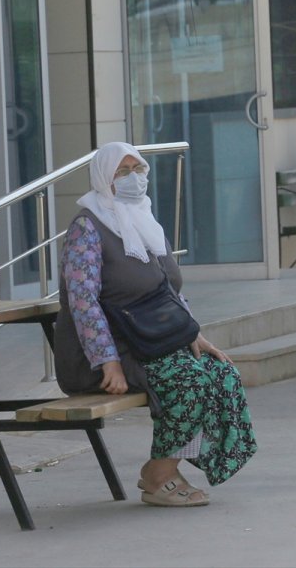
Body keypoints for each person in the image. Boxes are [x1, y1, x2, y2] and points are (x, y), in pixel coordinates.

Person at [54, 141, 257, 507]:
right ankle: (159, 476)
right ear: (105, 178)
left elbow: (168, 290)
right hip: (115, 352)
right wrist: (108, 361)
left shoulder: (143, 218)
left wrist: (194, 334)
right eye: (123, 171)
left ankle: (162, 467)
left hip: (156, 343)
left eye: (139, 169)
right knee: (189, 381)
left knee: (220, 373)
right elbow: (82, 301)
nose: (134, 179)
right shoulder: (88, 227)